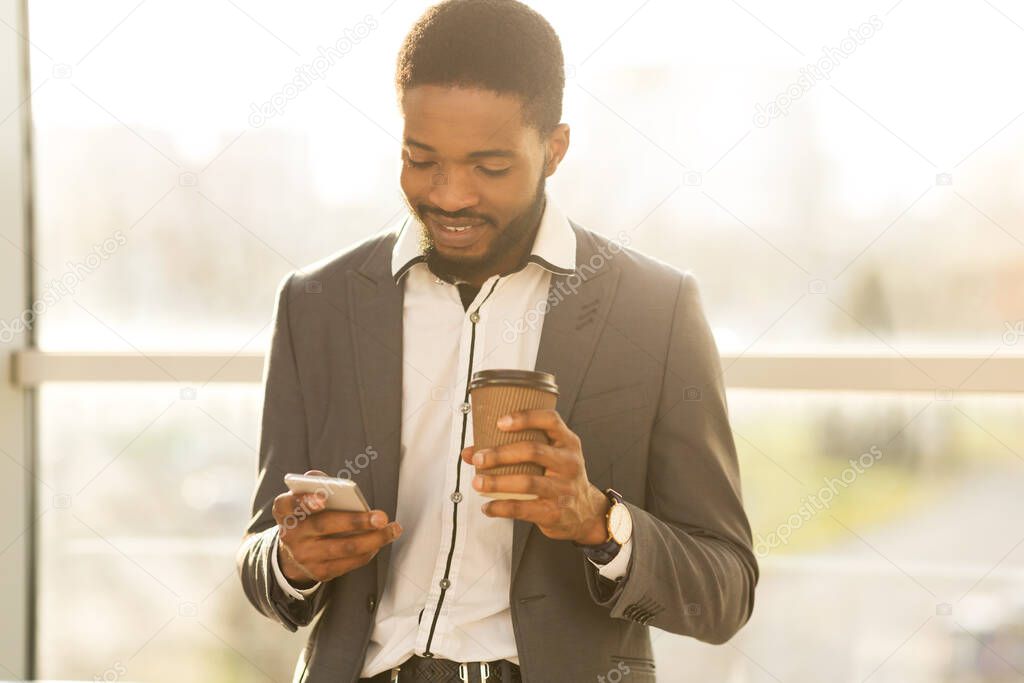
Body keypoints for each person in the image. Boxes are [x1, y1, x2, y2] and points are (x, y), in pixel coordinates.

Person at [237, 1, 758, 681]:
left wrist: (600, 520)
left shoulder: (654, 309)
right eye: (421, 160)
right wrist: (293, 558)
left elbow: (725, 590)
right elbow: (260, 562)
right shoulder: (316, 303)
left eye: (489, 167)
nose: (450, 196)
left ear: (555, 149)